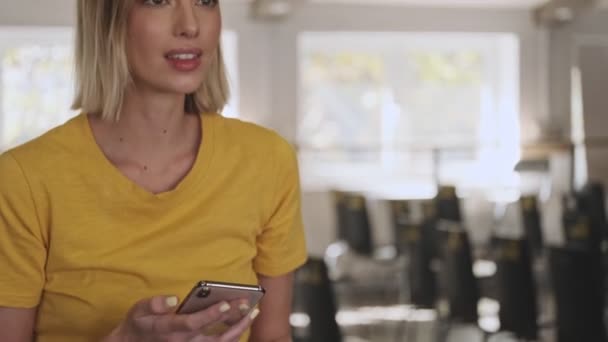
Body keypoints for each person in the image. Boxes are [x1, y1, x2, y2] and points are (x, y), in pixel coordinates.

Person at [0, 0, 307, 341]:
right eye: (158, 1)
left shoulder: (267, 160)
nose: (190, 26)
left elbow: (274, 336)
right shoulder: (23, 179)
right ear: (107, 18)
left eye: (205, 1)